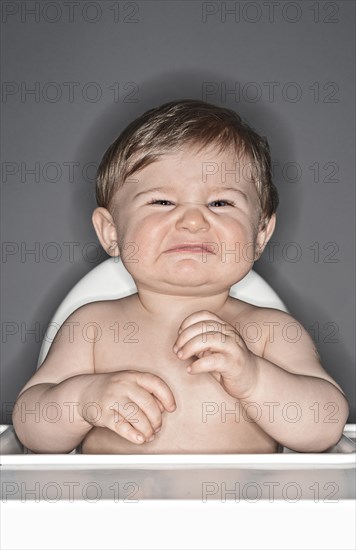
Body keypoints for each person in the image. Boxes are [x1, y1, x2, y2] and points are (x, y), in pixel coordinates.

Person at [12, 100, 349, 453]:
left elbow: (326, 425)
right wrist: (82, 400)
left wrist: (255, 378)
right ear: (111, 232)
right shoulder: (92, 327)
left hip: (246, 509)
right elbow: (30, 428)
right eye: (162, 202)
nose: (192, 221)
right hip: (113, 508)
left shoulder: (272, 332)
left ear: (260, 234)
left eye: (220, 203)